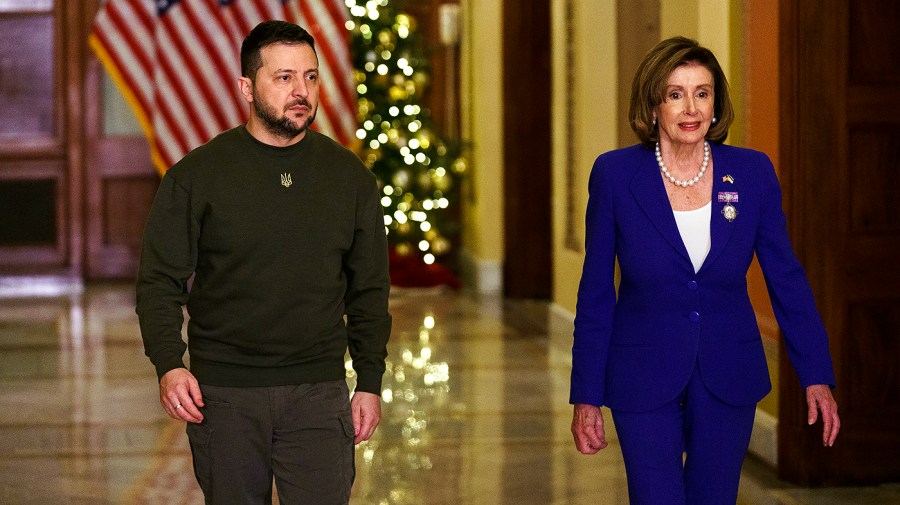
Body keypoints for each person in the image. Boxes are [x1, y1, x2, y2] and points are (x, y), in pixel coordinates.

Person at [569, 36, 840, 505]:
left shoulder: (752, 172)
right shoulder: (614, 175)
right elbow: (595, 295)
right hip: (642, 370)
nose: (690, 107)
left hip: (727, 370)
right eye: (675, 94)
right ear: (653, 105)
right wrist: (586, 396)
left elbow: (786, 280)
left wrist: (816, 373)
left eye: (702, 92)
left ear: (716, 105)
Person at [135, 20, 391, 505]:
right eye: (285, 77)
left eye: (311, 77)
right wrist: (169, 364)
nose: (302, 91)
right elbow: (159, 281)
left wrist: (370, 380)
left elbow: (369, 289)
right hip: (225, 394)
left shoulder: (349, 178)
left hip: (318, 390)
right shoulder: (197, 176)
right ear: (246, 88)